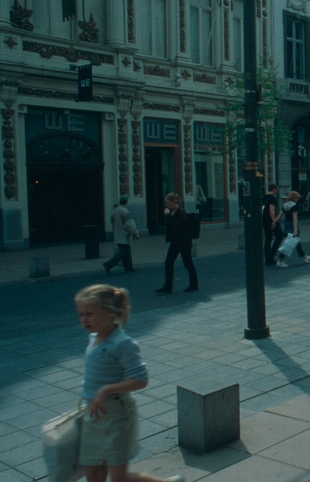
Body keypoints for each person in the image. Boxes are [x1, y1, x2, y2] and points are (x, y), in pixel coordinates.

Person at [75, 285, 185, 482]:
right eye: (81, 314)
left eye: (90, 314)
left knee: (120, 478)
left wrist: (106, 389)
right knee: (93, 472)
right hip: (93, 412)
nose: (84, 319)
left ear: (111, 313)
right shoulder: (93, 338)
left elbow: (141, 380)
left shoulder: (123, 344)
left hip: (117, 414)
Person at [155, 193, 198, 294]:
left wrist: (168, 216)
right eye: (166, 203)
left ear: (174, 202)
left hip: (184, 243)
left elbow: (177, 225)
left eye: (168, 203)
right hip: (176, 242)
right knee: (169, 263)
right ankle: (168, 286)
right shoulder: (173, 212)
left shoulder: (181, 213)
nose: (167, 205)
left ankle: (194, 284)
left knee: (187, 263)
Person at [104, 196, 140, 275]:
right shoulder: (124, 211)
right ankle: (109, 264)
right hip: (124, 234)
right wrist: (135, 233)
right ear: (126, 202)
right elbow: (130, 223)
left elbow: (112, 221)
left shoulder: (115, 210)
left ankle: (128, 267)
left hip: (117, 233)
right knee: (124, 251)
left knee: (125, 251)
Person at [274, 191, 310, 267]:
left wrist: (274, 222)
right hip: (292, 225)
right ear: (295, 198)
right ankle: (280, 261)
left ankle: (305, 257)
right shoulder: (294, 206)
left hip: (287, 225)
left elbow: (279, 216)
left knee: (291, 242)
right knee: (292, 243)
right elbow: (295, 219)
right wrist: (295, 230)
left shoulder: (285, 205)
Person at [262, 184, 284, 266]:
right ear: (274, 189)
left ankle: (267, 257)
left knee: (268, 238)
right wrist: (274, 221)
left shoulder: (264, 197)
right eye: (276, 190)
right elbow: (272, 210)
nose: (276, 192)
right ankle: (271, 255)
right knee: (279, 236)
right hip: (271, 220)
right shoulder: (272, 198)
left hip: (264, 220)